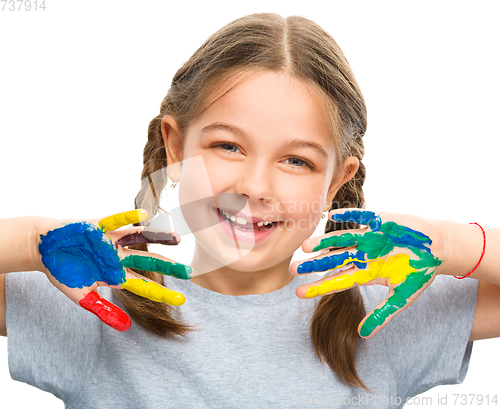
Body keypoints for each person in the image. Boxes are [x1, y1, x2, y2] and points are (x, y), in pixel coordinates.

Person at [1, 12, 499, 408]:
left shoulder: (384, 311)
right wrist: (31, 242)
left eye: (296, 160)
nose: (255, 186)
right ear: (175, 148)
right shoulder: (92, 304)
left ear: (336, 183)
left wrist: (455, 244)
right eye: (228, 147)